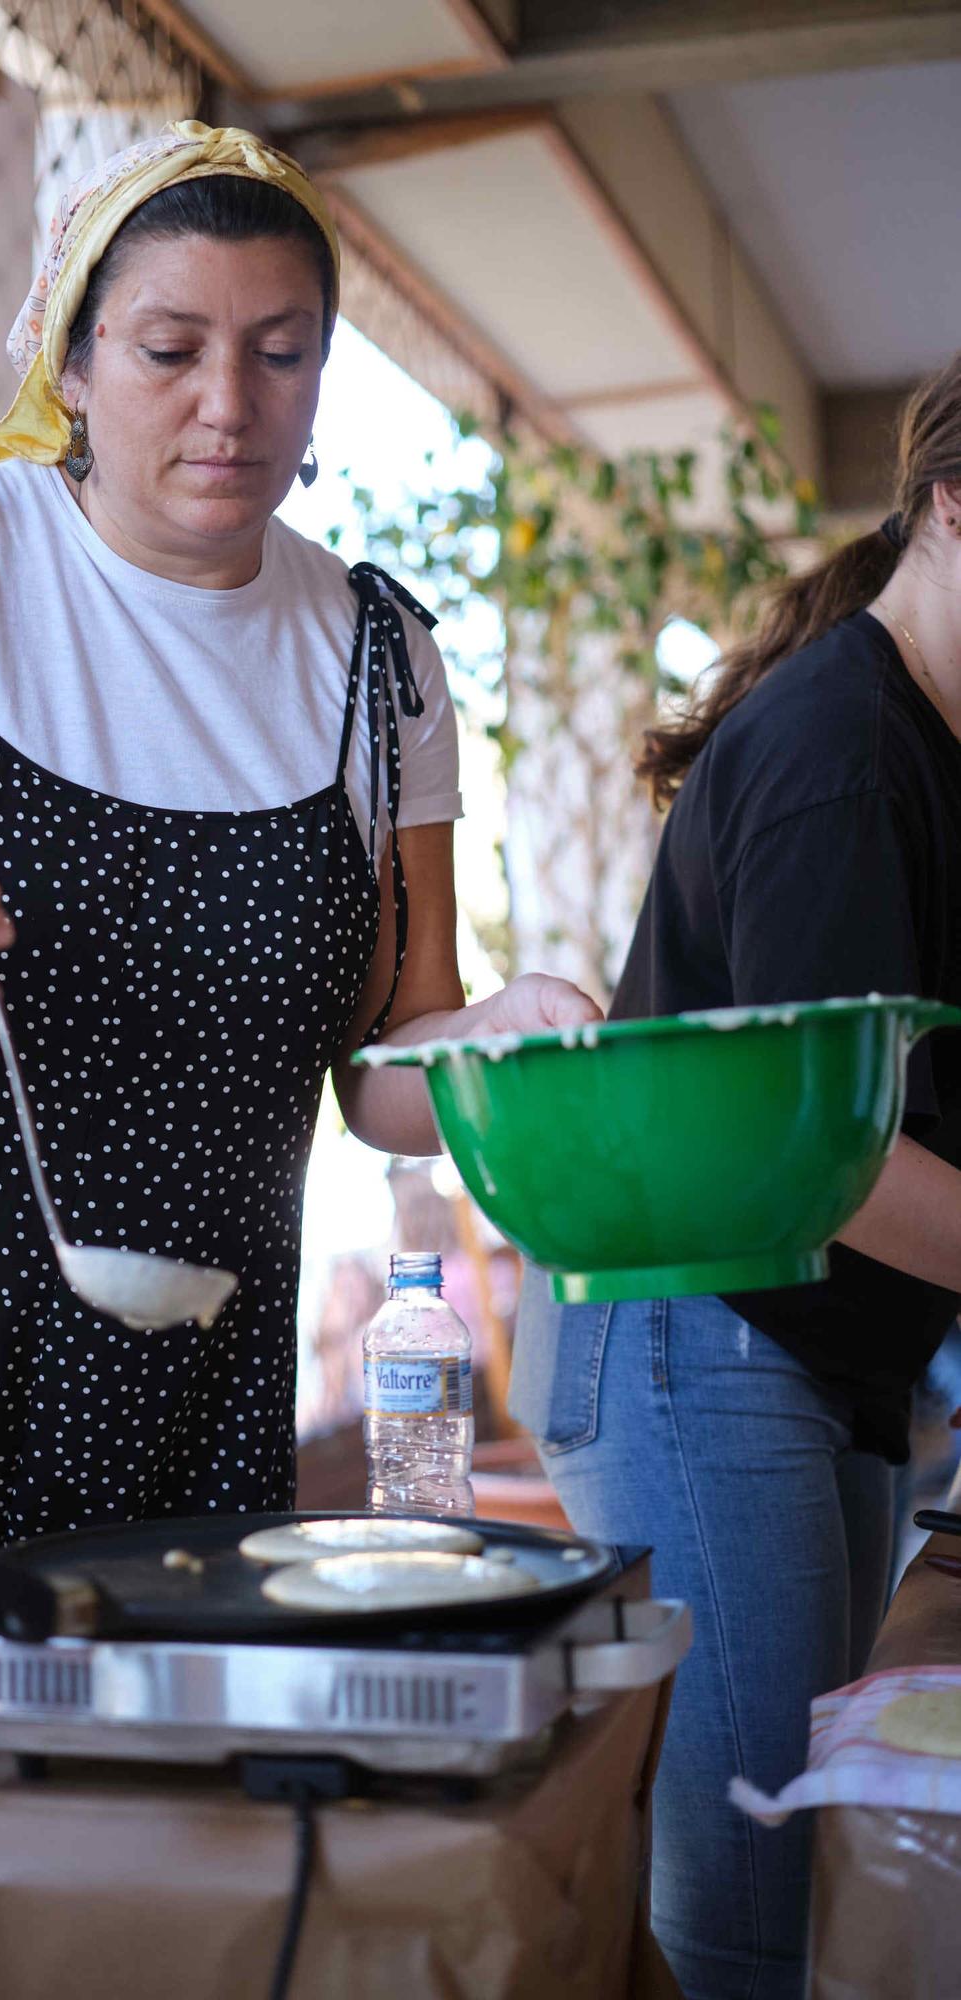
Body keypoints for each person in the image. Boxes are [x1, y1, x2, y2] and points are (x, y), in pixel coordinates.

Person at [0, 121, 596, 1548]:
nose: (228, 402)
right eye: (166, 349)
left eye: (280, 351)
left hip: (176, 1398)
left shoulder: (375, 662)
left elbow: (387, 1066)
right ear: (70, 366)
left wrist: (497, 1039)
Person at [511, 351, 961, 2000]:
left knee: (809, 1865)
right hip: (694, 1339)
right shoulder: (840, 753)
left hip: (804, 1353)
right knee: (754, 1906)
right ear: (951, 509)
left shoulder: (922, 741)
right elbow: (824, 1165)